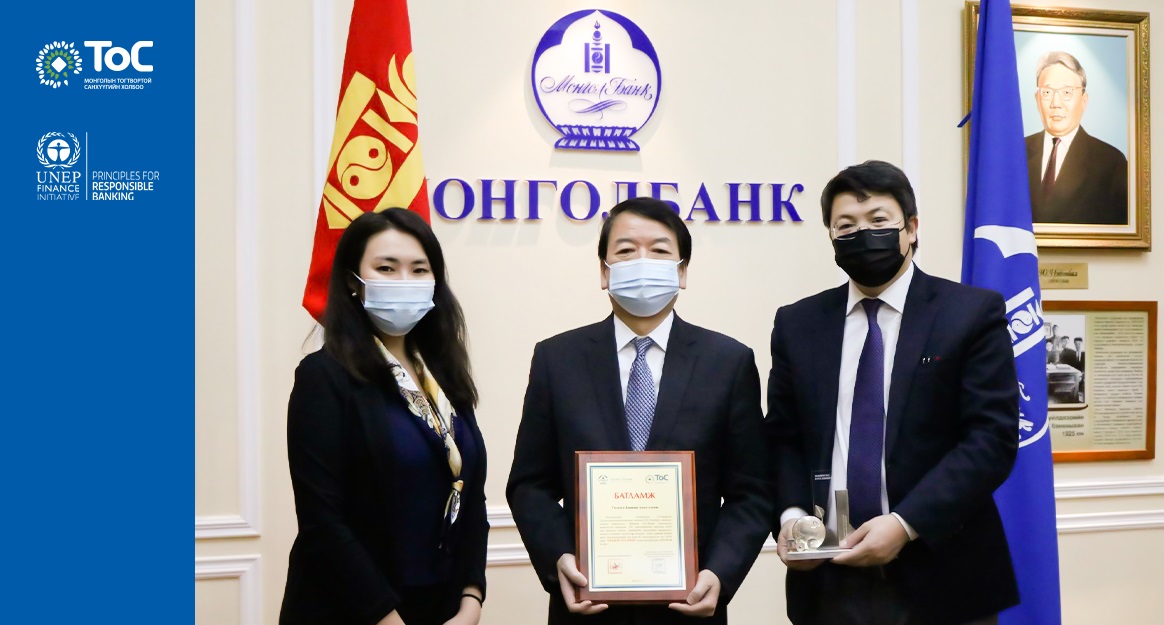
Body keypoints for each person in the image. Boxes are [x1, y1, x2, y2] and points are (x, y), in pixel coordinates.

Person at [767, 161, 1020, 625]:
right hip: (827, 577)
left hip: (944, 572)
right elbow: (784, 437)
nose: (862, 234)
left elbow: (990, 439)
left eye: (878, 220)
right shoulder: (797, 324)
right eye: (846, 226)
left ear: (912, 228)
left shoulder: (970, 313)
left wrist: (905, 524)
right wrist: (791, 517)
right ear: (831, 238)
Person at [506, 197, 771, 625]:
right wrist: (558, 558)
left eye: (660, 250)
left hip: (691, 608)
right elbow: (529, 484)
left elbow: (751, 491)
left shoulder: (728, 362)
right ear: (604, 272)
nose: (643, 261)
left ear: (682, 272)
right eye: (626, 250)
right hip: (587, 607)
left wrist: (720, 573)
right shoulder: (557, 359)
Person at [280, 208, 489, 625]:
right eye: (386, 268)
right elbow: (322, 520)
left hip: (442, 606)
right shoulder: (324, 377)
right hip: (353, 609)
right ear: (352, 281)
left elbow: (469, 492)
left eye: (419, 269)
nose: (404, 281)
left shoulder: (443, 375)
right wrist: (387, 619)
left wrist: (471, 599)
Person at [1024, 50, 1128, 225]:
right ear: (1037, 99)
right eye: (1047, 92)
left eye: (1066, 93)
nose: (1055, 103)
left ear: (1083, 100)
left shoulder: (1112, 163)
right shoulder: (1014, 153)